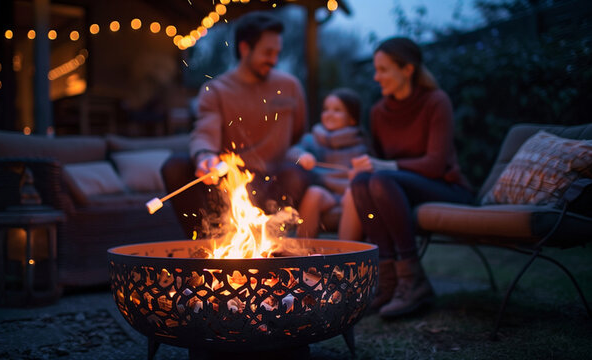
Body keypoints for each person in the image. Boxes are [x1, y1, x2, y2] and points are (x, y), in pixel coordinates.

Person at [351, 37, 473, 317]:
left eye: (383, 69)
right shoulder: (379, 112)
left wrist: (384, 165)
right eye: (376, 69)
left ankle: (413, 280)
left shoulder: (435, 101)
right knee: (361, 182)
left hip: (445, 186)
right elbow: (376, 169)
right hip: (401, 188)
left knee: (381, 179)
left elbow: (434, 164)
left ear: (407, 69)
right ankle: (388, 282)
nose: (375, 76)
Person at [161, 11, 310, 238]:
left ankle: (271, 247)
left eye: (277, 53)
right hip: (227, 182)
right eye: (268, 52)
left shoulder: (290, 87)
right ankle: (205, 244)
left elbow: (299, 135)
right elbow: (204, 131)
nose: (274, 60)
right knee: (175, 166)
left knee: (295, 172)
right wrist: (204, 157)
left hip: (273, 181)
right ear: (244, 49)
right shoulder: (217, 90)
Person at [288, 88, 367, 238]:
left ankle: (346, 255)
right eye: (326, 109)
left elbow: (372, 169)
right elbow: (291, 153)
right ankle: (304, 252)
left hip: (350, 194)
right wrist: (303, 156)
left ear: (352, 119)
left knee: (353, 194)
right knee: (313, 193)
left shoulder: (361, 145)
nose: (329, 115)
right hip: (326, 194)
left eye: (337, 110)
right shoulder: (312, 140)